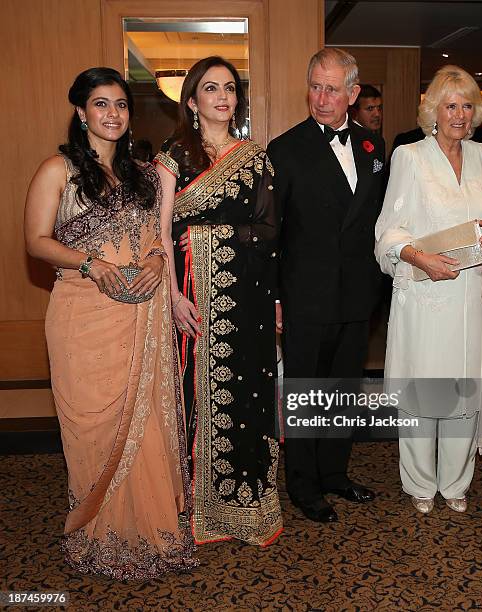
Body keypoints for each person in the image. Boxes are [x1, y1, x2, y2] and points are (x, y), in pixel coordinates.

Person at [24, 67, 197, 579]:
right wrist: (91, 263)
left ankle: (145, 531)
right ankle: (98, 533)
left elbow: (156, 241)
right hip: (82, 316)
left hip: (141, 315)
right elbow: (35, 240)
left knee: (145, 427)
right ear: (81, 112)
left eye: (121, 104)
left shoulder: (144, 174)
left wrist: (155, 263)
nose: (113, 114)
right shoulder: (57, 170)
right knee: (93, 430)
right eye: (101, 104)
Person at [154, 56, 283, 546]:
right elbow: (161, 233)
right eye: (211, 89)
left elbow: (269, 233)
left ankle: (245, 506)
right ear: (192, 101)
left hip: (247, 300)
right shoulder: (175, 156)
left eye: (230, 88)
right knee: (194, 395)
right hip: (195, 299)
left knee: (248, 396)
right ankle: (198, 507)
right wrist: (171, 297)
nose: (223, 97)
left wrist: (216, 235)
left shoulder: (255, 158)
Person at [375, 65, 482, 515]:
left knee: (467, 391)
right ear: (434, 110)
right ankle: (418, 482)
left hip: (477, 293)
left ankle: (456, 481)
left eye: (467, 105)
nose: (460, 114)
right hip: (428, 294)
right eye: (451, 105)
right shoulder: (410, 157)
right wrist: (420, 259)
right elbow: (388, 234)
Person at [267, 48, 385, 523]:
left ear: (353, 94)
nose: (321, 97)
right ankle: (303, 485)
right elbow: (270, 231)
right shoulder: (285, 149)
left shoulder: (374, 148)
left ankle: (335, 473)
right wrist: (274, 295)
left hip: (358, 294)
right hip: (305, 295)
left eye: (332, 88)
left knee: (343, 390)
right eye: (315, 86)